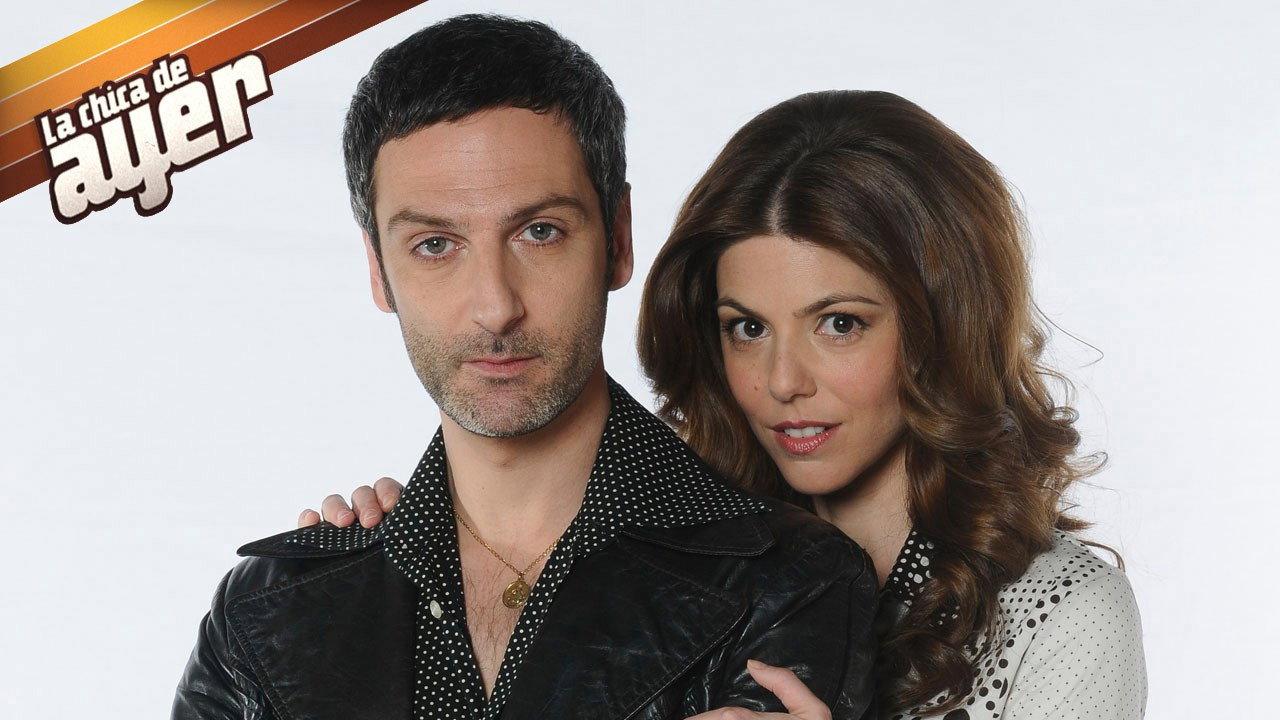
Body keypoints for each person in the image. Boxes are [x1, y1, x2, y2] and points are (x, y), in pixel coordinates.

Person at [313, 91, 1148, 719]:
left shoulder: (1061, 617)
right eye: (747, 327)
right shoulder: (659, 544)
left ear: (944, 327)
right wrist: (419, 550)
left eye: (839, 323)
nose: (783, 380)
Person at [170, 15, 880, 720]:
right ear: (379, 271)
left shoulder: (790, 584)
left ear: (618, 240)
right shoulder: (266, 615)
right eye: (435, 245)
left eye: (539, 232)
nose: (495, 307)